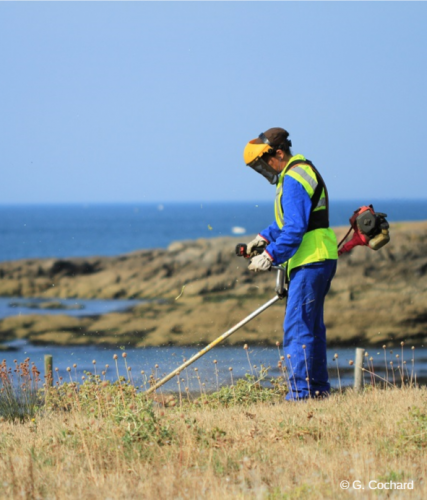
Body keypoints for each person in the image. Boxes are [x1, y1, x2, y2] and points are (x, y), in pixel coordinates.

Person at [242, 127, 338, 400]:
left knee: (297, 328)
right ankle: (317, 391)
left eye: (263, 163)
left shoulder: (293, 178)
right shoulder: (297, 171)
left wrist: (270, 256)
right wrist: (262, 238)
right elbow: (289, 221)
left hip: (310, 260)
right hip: (320, 258)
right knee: (312, 329)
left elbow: (295, 229)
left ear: (279, 153)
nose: (263, 170)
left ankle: (300, 395)